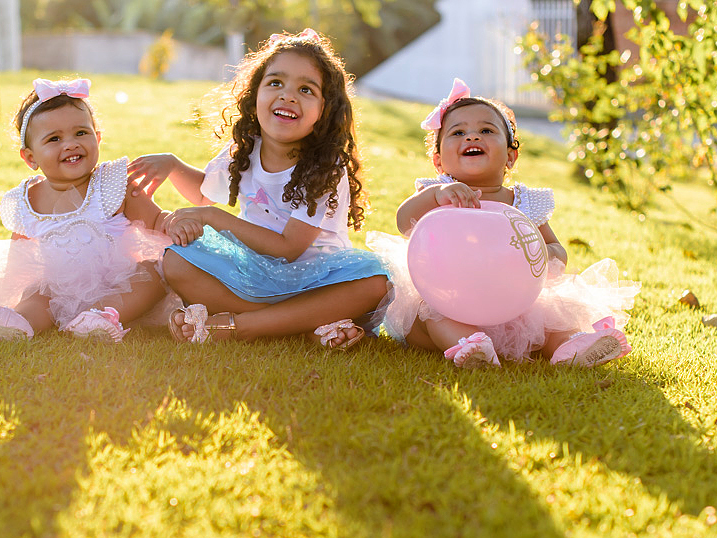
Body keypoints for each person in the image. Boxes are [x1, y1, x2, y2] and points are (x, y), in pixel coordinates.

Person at [127, 29, 389, 349]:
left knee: (376, 284)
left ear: (325, 110)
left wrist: (214, 217)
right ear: (255, 95)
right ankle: (301, 322)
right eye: (275, 83)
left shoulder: (325, 167)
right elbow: (203, 193)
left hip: (316, 278)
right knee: (176, 261)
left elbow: (288, 247)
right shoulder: (246, 149)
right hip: (254, 267)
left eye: (306, 89)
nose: (288, 95)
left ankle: (245, 326)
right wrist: (173, 165)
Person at [368, 79, 639, 368]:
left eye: (486, 130)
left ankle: (570, 346)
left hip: (515, 304)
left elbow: (556, 248)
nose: (472, 137)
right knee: (433, 315)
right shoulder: (438, 193)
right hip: (449, 296)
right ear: (438, 161)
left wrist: (548, 255)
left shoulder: (523, 202)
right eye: (458, 132)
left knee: (553, 316)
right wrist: (436, 195)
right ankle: (470, 347)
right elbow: (402, 221)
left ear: (510, 156)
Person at [0, 78, 172, 342]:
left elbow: (157, 221)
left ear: (97, 138)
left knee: (149, 275)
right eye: (54, 138)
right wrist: (12, 287)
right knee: (39, 294)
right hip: (59, 288)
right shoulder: (28, 200)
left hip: (118, 280)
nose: (70, 144)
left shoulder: (112, 183)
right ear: (31, 158)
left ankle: (100, 318)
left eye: (81, 133)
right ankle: (17, 322)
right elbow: (19, 257)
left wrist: (175, 223)